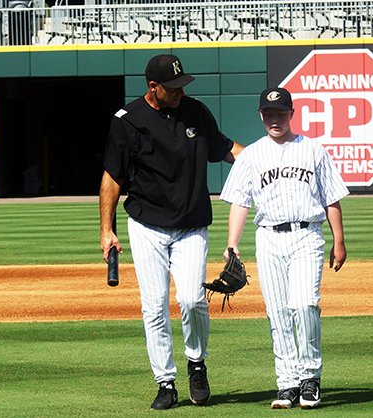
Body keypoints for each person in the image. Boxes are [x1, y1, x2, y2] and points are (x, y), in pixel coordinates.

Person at [99, 54, 244, 411]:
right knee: (154, 307)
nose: (181, 92)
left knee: (192, 300)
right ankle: (165, 382)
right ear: (153, 87)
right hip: (146, 225)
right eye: (174, 87)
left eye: (183, 85)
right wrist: (107, 230)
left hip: (191, 225)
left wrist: (266, 160)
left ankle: (197, 364)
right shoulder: (127, 121)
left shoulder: (195, 112)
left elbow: (226, 150)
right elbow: (112, 178)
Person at [219, 87, 349, 409]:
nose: (275, 119)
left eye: (281, 113)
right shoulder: (250, 155)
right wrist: (232, 244)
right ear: (261, 115)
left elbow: (330, 197)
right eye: (269, 113)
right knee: (277, 312)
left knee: (304, 304)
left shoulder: (313, 150)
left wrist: (339, 240)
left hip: (307, 235)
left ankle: (310, 378)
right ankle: (287, 383)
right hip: (268, 238)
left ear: (291, 113)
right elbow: (239, 201)